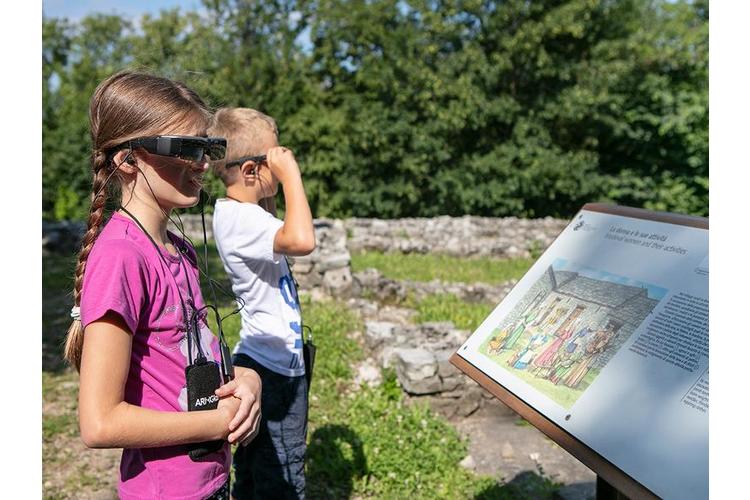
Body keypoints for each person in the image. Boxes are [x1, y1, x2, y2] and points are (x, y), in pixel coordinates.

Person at [63, 71, 263, 500]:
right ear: (128, 159)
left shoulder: (177, 249)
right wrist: (217, 422)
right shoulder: (121, 257)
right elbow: (99, 423)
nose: (203, 162)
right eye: (186, 148)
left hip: (207, 481)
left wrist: (247, 379)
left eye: (209, 147)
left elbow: (191, 354)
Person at [207, 107, 316, 499]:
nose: (282, 161)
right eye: (273, 157)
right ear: (251, 170)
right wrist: (292, 177)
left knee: (254, 466)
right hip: (271, 368)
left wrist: (272, 174)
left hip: (265, 359)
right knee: (282, 471)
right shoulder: (241, 220)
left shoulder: (244, 215)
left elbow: (281, 227)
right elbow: (303, 240)